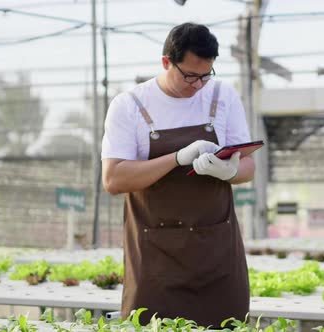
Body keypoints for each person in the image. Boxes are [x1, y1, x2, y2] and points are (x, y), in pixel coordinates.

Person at [101, 22, 254, 327]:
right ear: (166, 62)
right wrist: (176, 158)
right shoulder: (129, 105)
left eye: (205, 75)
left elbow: (248, 166)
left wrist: (230, 170)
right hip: (155, 257)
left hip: (217, 252)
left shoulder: (222, 96)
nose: (198, 85)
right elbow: (114, 179)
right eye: (190, 76)